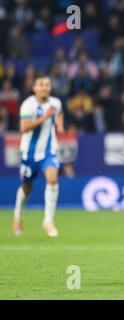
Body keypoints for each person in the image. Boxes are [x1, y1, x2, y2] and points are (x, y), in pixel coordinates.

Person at [12, 75, 64, 237]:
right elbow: (24, 128)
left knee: (52, 178)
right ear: (34, 87)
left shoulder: (56, 103)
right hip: (29, 152)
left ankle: (48, 221)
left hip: (49, 150)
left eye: (47, 85)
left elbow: (59, 114)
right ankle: (18, 216)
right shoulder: (28, 105)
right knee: (26, 187)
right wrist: (45, 117)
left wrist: (59, 125)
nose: (45, 88)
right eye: (41, 85)